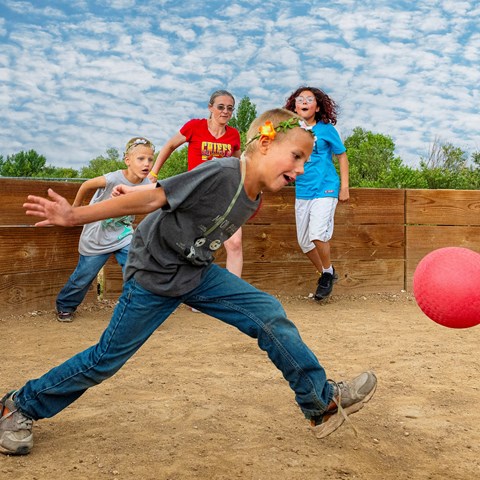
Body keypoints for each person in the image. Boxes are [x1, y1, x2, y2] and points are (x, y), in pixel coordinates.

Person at [0, 109, 376, 456]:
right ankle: (20, 406)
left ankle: (319, 402)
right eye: (296, 156)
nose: (302, 168)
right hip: (155, 275)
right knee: (105, 360)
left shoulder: (255, 196)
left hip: (195, 273)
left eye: (306, 160)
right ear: (265, 143)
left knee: (267, 314)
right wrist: (75, 216)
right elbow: (155, 199)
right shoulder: (224, 172)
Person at [55, 137, 155, 322]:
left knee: (136, 267)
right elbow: (86, 185)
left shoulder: (147, 184)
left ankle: (138, 308)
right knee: (84, 275)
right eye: (141, 159)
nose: (146, 163)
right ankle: (65, 305)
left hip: (123, 234)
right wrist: (75, 208)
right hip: (97, 234)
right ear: (127, 160)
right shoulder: (113, 178)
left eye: (150, 159)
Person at [148, 90, 244, 277]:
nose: (225, 111)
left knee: (235, 243)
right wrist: (154, 172)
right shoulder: (195, 126)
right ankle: (182, 284)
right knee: (190, 245)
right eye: (221, 107)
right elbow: (170, 145)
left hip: (224, 195)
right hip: (196, 194)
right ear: (210, 107)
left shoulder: (233, 135)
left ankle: (234, 290)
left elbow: (238, 163)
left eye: (230, 108)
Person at [284, 87, 350, 301]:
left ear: (318, 107)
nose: (304, 102)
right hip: (303, 191)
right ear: (294, 107)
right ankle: (327, 273)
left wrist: (345, 187)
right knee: (304, 242)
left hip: (325, 188)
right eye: (300, 99)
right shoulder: (291, 131)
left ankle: (327, 274)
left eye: (309, 99)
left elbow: (342, 156)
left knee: (317, 234)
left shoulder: (326, 129)